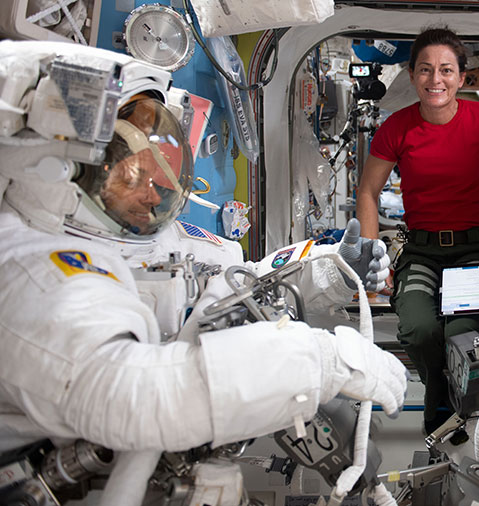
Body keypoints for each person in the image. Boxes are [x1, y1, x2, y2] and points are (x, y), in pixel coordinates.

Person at [0, 41, 406, 503]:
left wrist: (331, 269)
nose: (154, 195)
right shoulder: (30, 270)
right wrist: (317, 362)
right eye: (132, 178)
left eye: (160, 177)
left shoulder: (162, 237)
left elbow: (243, 286)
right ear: (59, 171)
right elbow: (130, 395)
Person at [356, 26, 479, 435]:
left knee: (462, 339)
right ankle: (440, 394)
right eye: (425, 70)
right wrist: (373, 252)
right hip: (421, 251)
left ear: (461, 77)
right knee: (419, 330)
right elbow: (368, 191)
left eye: (445, 70)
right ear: (412, 76)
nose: (435, 80)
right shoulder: (397, 128)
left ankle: (450, 416)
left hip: (471, 250)